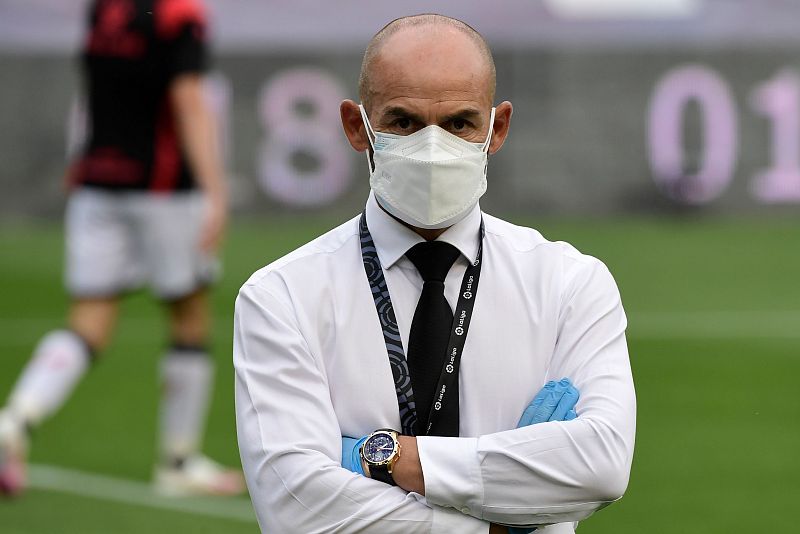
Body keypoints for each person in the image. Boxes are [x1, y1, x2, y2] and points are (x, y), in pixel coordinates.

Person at [233, 13, 635, 533]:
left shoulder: (569, 284)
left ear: (498, 128)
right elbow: (296, 508)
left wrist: (390, 459)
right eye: (404, 122)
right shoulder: (282, 297)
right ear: (358, 127)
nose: (432, 147)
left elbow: (601, 464)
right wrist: (496, 518)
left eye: (459, 123)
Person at [0, 0, 243, 497]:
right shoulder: (180, 14)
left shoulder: (104, 9)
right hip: (164, 188)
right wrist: (216, 190)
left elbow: (93, 90)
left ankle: (13, 420)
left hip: (98, 181)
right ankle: (177, 463)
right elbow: (189, 99)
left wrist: (83, 156)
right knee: (189, 315)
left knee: (88, 321)